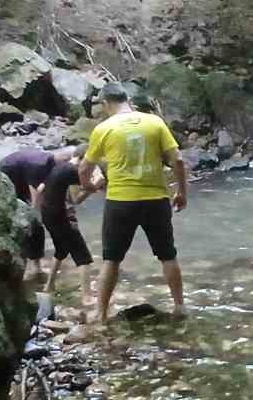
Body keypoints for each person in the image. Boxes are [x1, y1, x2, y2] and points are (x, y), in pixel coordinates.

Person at [78, 85, 188, 321]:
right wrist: (181, 192)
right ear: (127, 99)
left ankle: (101, 313)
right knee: (167, 255)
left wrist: (87, 186)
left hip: (120, 201)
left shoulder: (104, 128)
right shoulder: (154, 122)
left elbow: (84, 167)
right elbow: (177, 160)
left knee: (112, 259)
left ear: (106, 103)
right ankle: (179, 307)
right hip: (156, 200)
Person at [0, 146, 79, 281]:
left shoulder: (52, 163)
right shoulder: (39, 166)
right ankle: (23, 266)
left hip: (19, 182)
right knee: (32, 223)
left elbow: (59, 191)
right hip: (2, 184)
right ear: (66, 162)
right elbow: (36, 201)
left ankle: (36, 266)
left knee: (35, 224)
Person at [38, 144, 98, 308]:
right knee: (83, 256)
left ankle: (49, 286)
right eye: (91, 163)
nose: (91, 167)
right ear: (83, 159)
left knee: (61, 250)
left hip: (47, 215)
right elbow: (76, 198)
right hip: (59, 217)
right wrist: (98, 184)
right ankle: (87, 297)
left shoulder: (60, 167)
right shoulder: (73, 171)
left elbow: (41, 187)